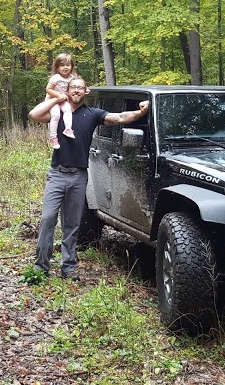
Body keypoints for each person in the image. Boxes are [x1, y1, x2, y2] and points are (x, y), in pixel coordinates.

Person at [28, 77, 149, 281]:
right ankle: (41, 267)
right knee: (48, 219)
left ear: (86, 92)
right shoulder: (57, 112)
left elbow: (119, 118)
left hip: (78, 176)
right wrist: (57, 97)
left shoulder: (92, 114)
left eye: (79, 88)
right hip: (57, 174)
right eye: (72, 87)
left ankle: (68, 268)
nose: (75, 90)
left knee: (71, 224)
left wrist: (141, 112)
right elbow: (34, 114)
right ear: (68, 90)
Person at [42, 53, 78, 149]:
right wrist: (58, 95)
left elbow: (77, 84)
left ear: (71, 66)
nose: (65, 67)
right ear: (57, 67)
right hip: (52, 99)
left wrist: (85, 89)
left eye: (68, 65)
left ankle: (68, 129)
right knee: (56, 115)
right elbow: (48, 89)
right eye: (62, 65)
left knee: (68, 109)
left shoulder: (72, 77)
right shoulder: (55, 78)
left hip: (62, 100)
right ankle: (53, 137)